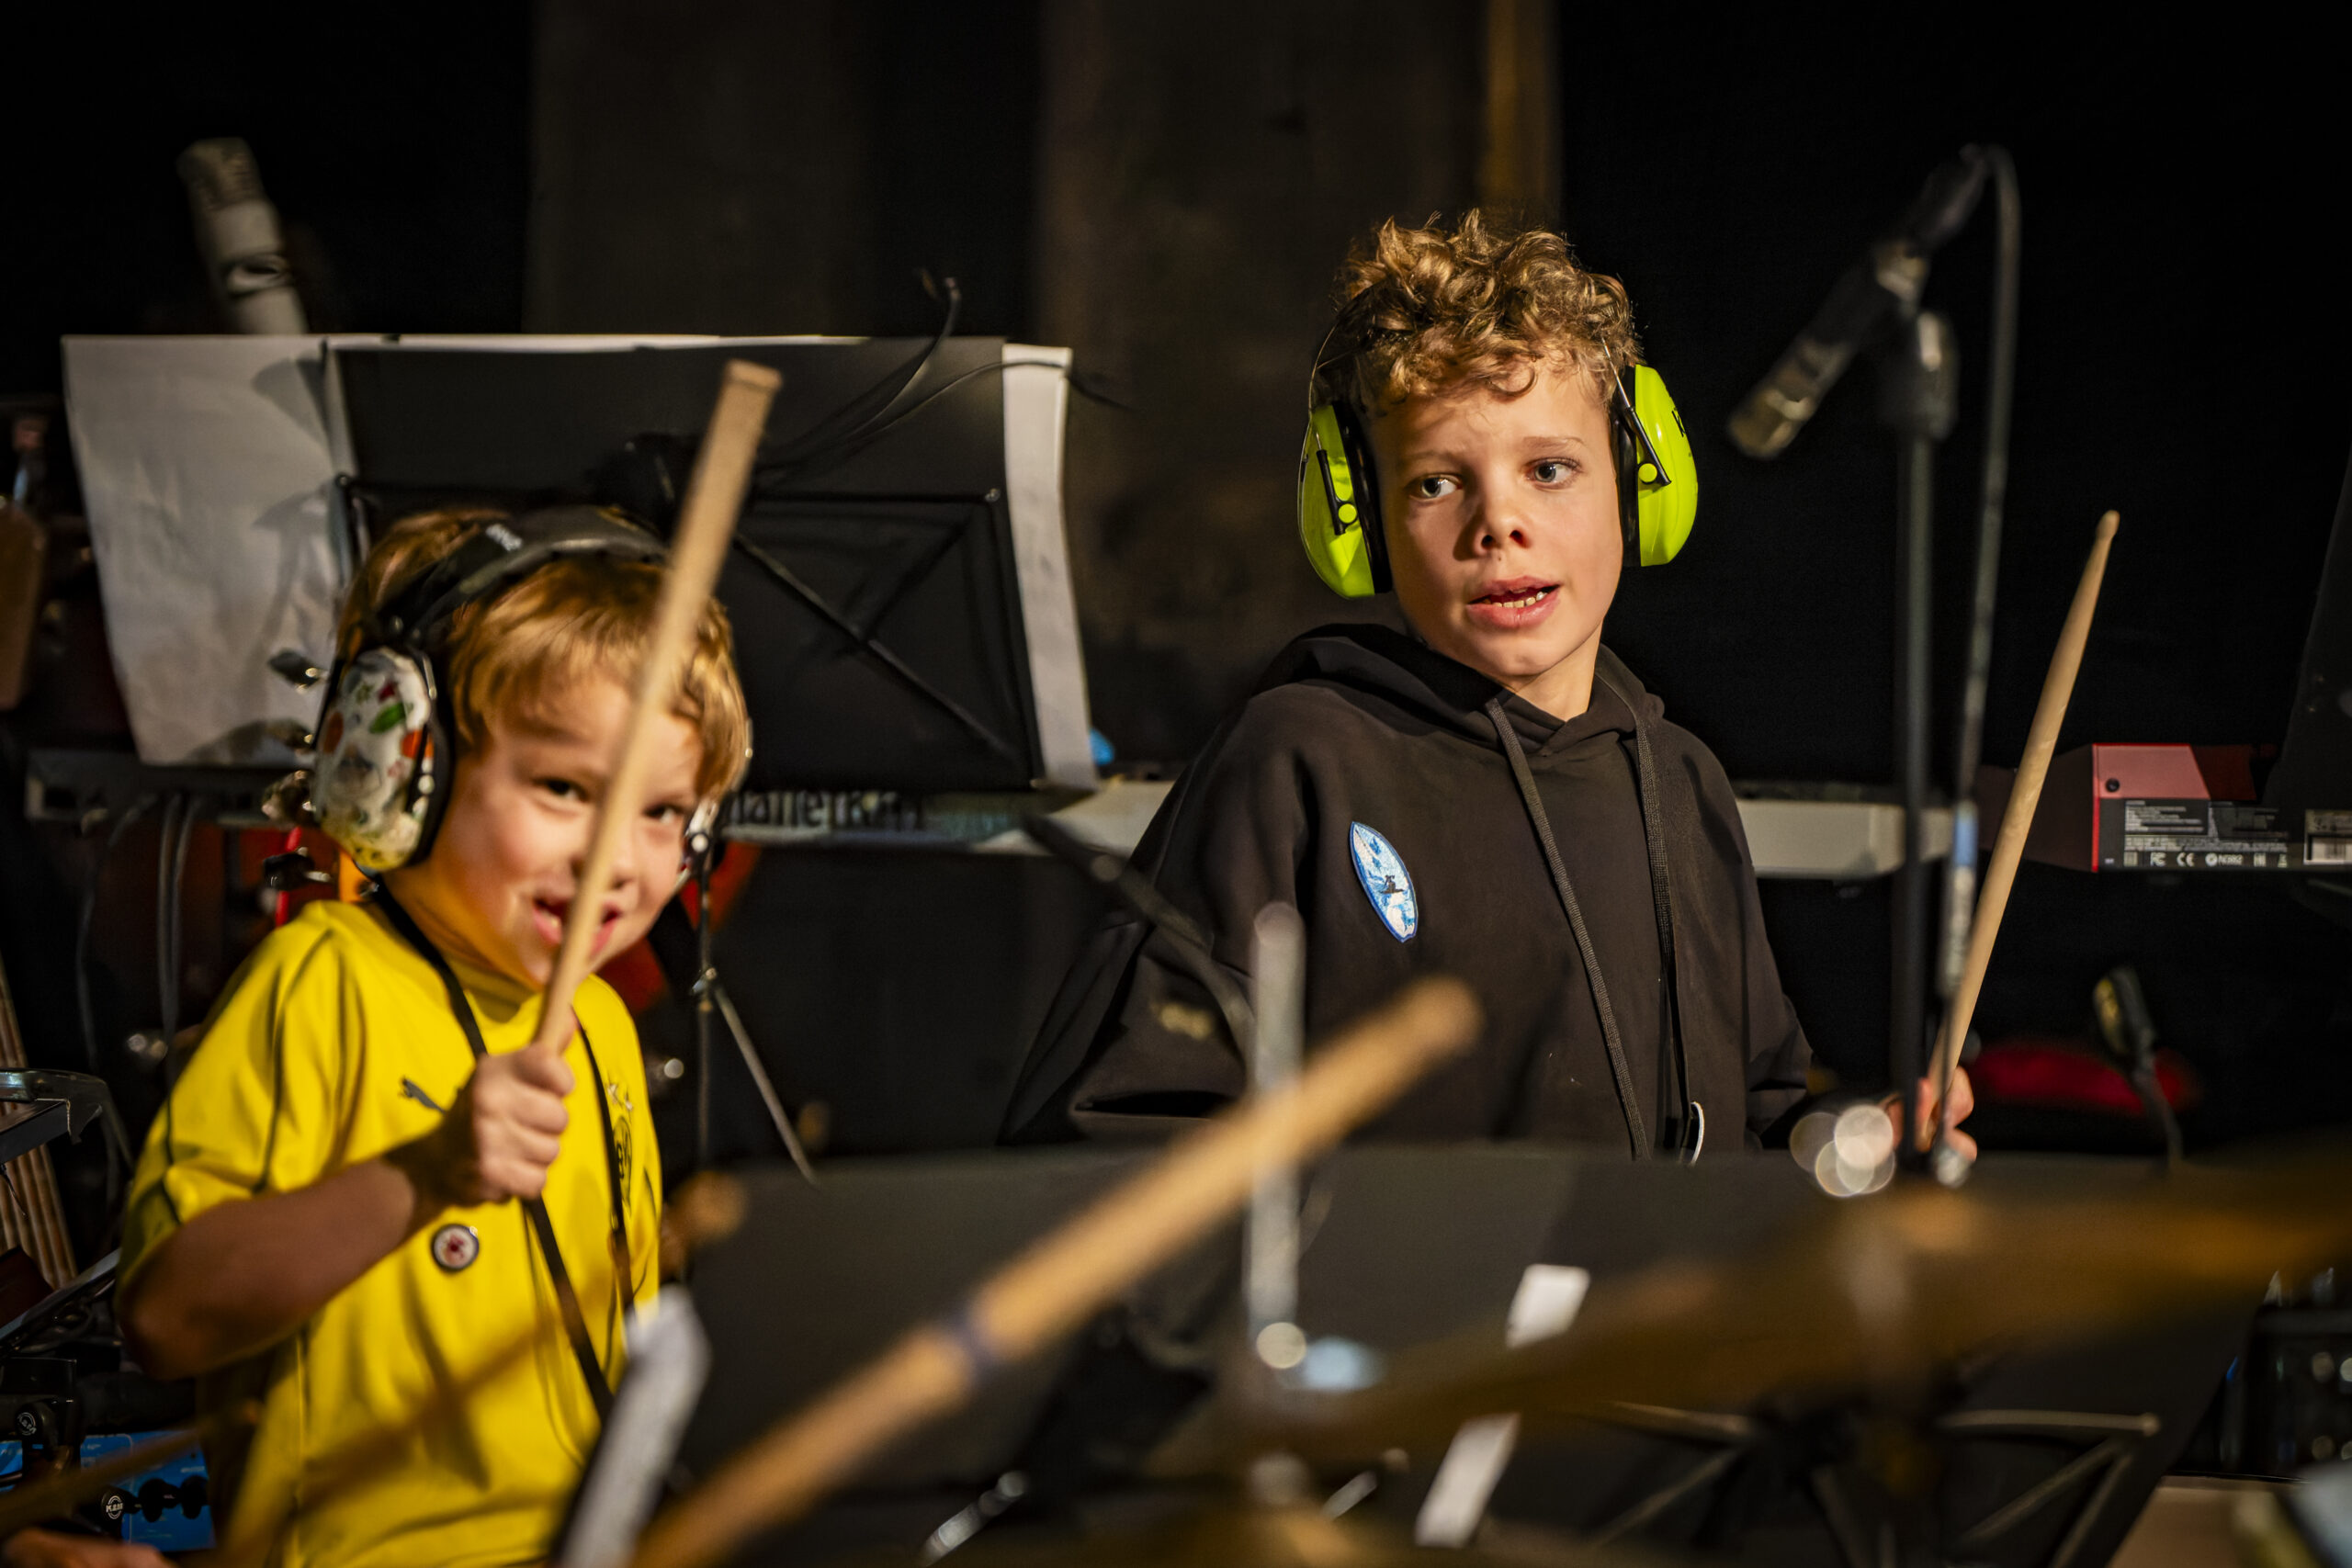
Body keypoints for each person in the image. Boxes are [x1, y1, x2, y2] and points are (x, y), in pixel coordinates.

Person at [1003, 210, 1972, 1157]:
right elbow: (1117, 1134)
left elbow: (1756, 1124)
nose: (1497, 524)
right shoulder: (1297, 762)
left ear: (1641, 483)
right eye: (1435, 483)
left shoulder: (1683, 786)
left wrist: (1857, 1148)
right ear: (1359, 523)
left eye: (1549, 469)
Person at [115, 507, 750, 1567]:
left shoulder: (601, 1020)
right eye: (563, 789)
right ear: (404, 767)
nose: (616, 860)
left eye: (661, 813)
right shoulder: (323, 980)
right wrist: (429, 1172)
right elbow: (168, 1321)